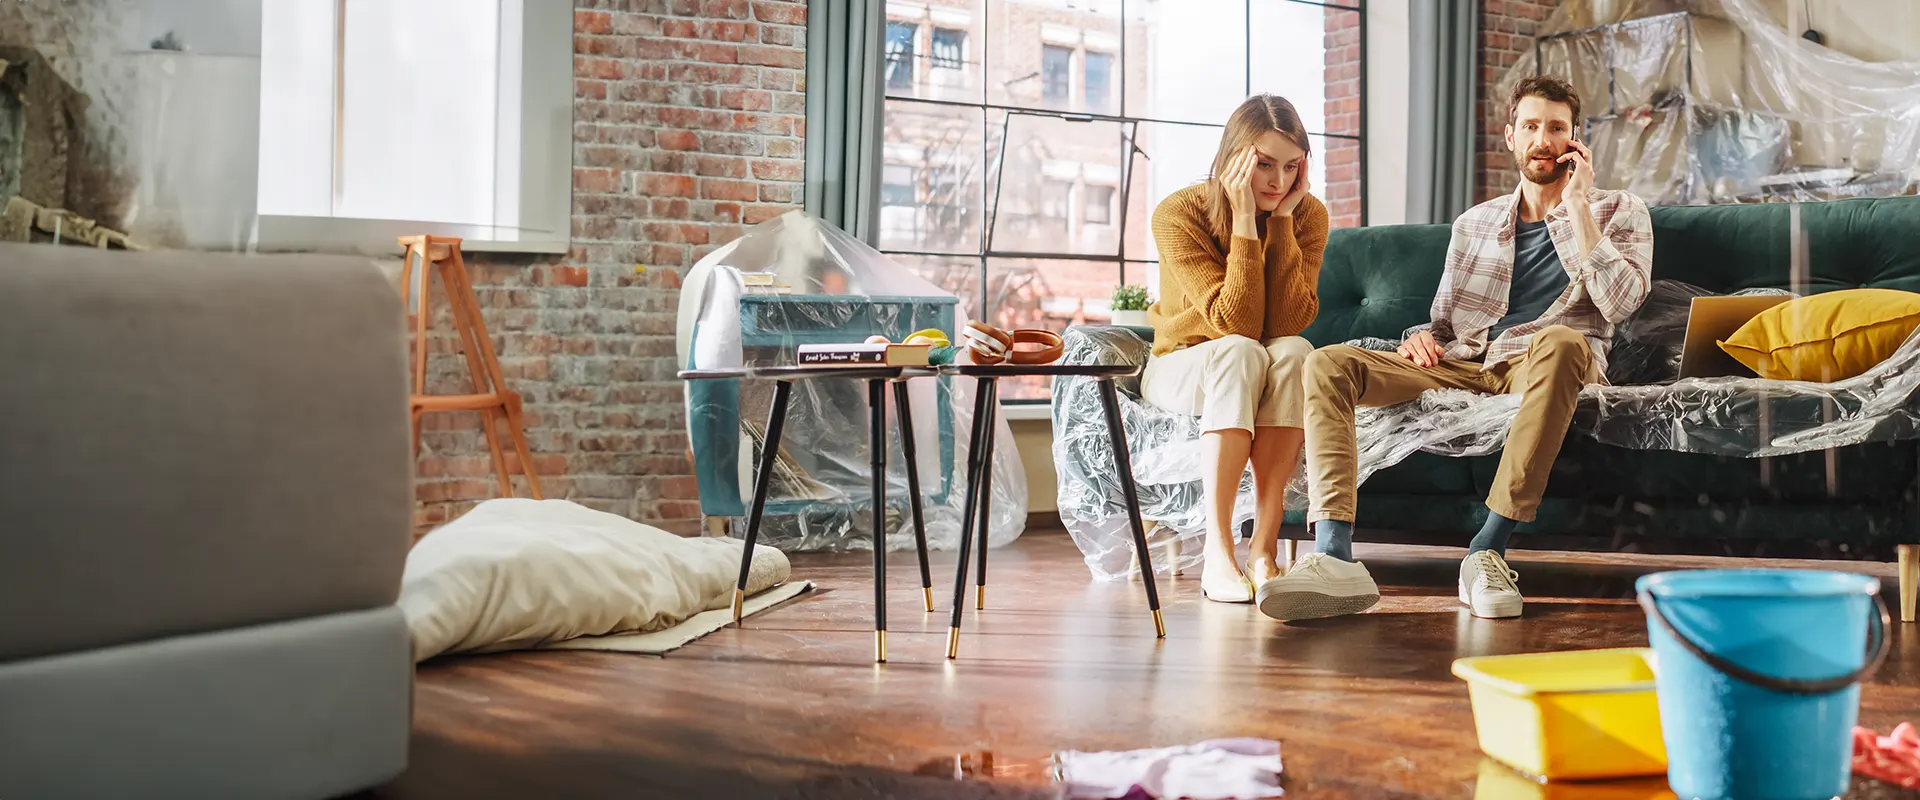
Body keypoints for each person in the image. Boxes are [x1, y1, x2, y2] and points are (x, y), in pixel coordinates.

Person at [1258, 76, 1653, 622]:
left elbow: (1620, 304)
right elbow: (1445, 324)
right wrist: (1420, 337)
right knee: (1327, 362)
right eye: (1532, 126)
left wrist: (1578, 205)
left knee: (1562, 342)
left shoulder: (1620, 210)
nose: (1544, 138)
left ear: (1575, 143)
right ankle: (1334, 554)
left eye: (1557, 128)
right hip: (1466, 364)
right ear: (1510, 137)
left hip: (1547, 362)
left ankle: (1486, 551)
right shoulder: (1475, 224)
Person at [1142, 94, 1327, 604]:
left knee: (1294, 351)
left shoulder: (1307, 214)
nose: (1277, 181)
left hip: (1256, 359)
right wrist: (1245, 224)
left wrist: (1284, 222)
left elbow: (1287, 321)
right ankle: (1218, 552)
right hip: (1181, 363)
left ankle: (1263, 549)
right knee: (1240, 350)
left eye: (1291, 167)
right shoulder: (1178, 213)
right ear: (1232, 158)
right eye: (1263, 164)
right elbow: (1235, 323)